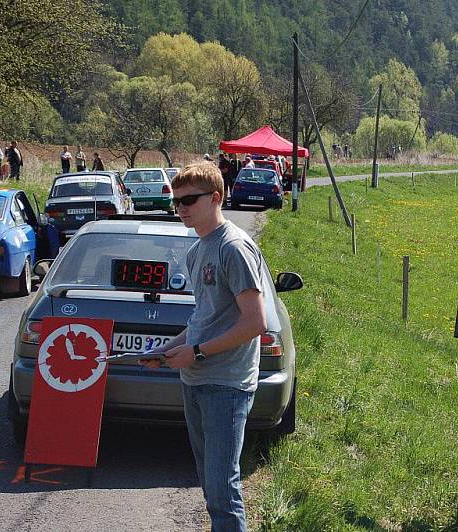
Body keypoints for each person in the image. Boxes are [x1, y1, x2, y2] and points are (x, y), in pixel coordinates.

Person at [141, 161, 266, 531]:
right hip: (195, 382)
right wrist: (167, 350)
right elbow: (204, 319)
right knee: (211, 489)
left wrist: (194, 353)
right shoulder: (197, 251)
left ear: (216, 197)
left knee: (222, 492)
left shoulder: (235, 248)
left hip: (226, 384)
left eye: (189, 200)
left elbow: (255, 323)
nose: (180, 208)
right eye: (176, 201)